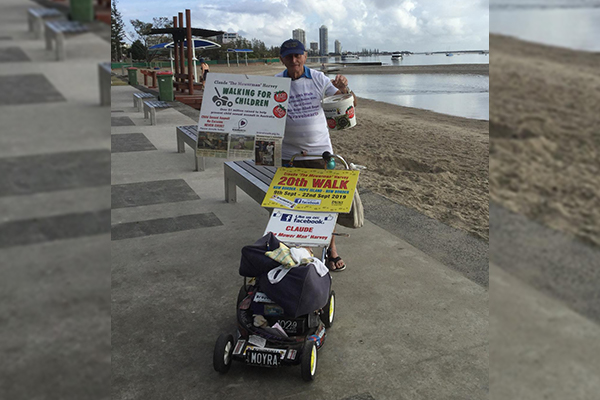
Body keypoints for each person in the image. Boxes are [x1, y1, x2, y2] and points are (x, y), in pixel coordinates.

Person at [276, 38, 357, 272]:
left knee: (326, 205)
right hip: (290, 155)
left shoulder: (319, 79)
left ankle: (331, 250)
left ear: (305, 56)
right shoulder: (276, 83)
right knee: (292, 206)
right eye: (289, 56)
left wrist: (343, 88)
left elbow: (349, 105)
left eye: (298, 55)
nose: (294, 60)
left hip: (321, 154)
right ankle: (300, 250)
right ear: (282, 59)